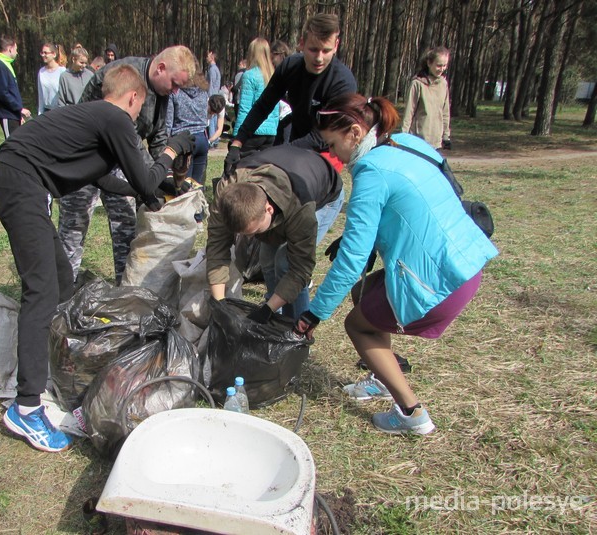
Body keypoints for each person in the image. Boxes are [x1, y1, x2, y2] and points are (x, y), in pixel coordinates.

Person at [0, 64, 195, 452]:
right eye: (137, 112)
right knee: (41, 292)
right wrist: (171, 150)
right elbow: (143, 177)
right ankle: (27, 408)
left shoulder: (91, 119)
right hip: (20, 184)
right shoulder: (113, 117)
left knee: (63, 279)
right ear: (133, 98)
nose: (134, 120)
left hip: (14, 180)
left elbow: (108, 180)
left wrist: (159, 187)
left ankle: (57, 359)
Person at [293, 93, 498, 435]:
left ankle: (412, 413)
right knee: (364, 294)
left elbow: (352, 260)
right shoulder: (406, 144)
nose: (333, 154)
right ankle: (381, 378)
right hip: (467, 264)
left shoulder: (371, 172)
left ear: (355, 133)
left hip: (442, 282)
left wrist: (313, 313)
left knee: (357, 325)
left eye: (332, 144)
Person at [58, 45, 198, 284]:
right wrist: (148, 179)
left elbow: (157, 135)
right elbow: (128, 140)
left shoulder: (162, 92)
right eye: (174, 84)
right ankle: (62, 291)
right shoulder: (125, 76)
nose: (175, 92)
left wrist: (160, 178)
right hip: (83, 159)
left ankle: (126, 290)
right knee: (74, 227)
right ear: (161, 68)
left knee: (125, 224)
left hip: (118, 163)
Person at [207, 144, 345, 320]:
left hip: (324, 195)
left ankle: (294, 327)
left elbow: (300, 269)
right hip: (281, 175)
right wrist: (220, 304)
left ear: (268, 209)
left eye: (253, 231)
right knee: (266, 259)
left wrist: (266, 310)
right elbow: (216, 246)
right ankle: (275, 316)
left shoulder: (300, 208)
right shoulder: (226, 193)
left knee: (284, 262)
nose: (249, 238)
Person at [224, 13, 357, 174]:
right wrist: (238, 142)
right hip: (297, 143)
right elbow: (263, 106)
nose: (319, 58)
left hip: (327, 154)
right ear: (302, 43)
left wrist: (277, 153)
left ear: (336, 45)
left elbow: (321, 137)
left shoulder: (342, 82)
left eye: (326, 50)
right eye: (313, 49)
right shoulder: (291, 67)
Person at [233, 38, 280, 158]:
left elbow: (245, 108)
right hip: (271, 133)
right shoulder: (274, 75)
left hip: (253, 132)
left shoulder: (249, 75)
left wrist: (237, 136)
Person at [402, 46, 452, 150]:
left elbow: (445, 112)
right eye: (438, 65)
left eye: (444, 65)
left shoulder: (443, 84)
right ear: (429, 63)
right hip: (418, 138)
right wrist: (404, 134)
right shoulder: (417, 84)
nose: (441, 69)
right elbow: (409, 112)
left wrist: (446, 136)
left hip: (436, 140)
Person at [165, 73, 209, 183]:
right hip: (202, 139)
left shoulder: (175, 92)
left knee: (182, 188)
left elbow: (168, 122)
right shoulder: (203, 92)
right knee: (197, 187)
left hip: (183, 142)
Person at [0, 35, 31, 138]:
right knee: (11, 144)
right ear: (9, 49)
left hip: (13, 114)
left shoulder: (6, 64)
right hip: (7, 114)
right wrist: (19, 109)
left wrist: (18, 114)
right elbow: (3, 93)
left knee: (17, 143)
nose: (17, 52)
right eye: (16, 49)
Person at [270, 40, 293, 145]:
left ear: (279, 54)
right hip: (278, 116)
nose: (271, 60)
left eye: (272, 57)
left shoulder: (289, 71)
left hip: (288, 116)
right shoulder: (277, 71)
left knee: (285, 145)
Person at [37, 43, 66, 116]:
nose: (43, 55)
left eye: (46, 53)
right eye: (42, 53)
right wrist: (40, 113)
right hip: (46, 111)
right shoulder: (41, 72)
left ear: (53, 54)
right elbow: (41, 95)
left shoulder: (62, 71)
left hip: (59, 111)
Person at [205, 50, 222, 147]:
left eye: (208, 56)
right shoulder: (215, 69)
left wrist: (209, 98)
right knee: (214, 120)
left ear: (212, 58)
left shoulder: (212, 70)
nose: (206, 58)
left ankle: (211, 141)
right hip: (216, 96)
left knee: (211, 120)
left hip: (212, 97)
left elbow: (210, 85)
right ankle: (215, 140)